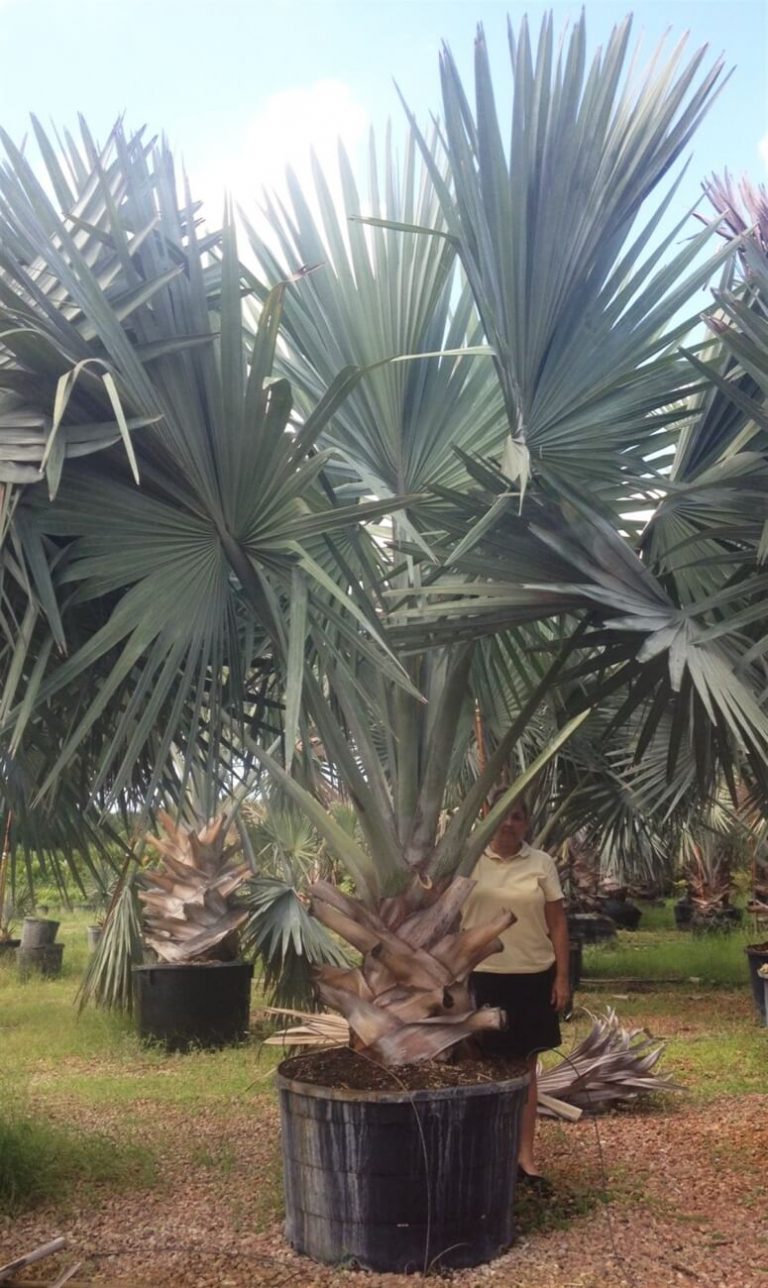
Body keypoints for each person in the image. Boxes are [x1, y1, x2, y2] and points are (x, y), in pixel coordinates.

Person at [462, 793, 570, 1189]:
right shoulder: (468, 859)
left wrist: (562, 977)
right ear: (486, 818)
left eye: (518, 817)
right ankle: (487, 1153)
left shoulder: (541, 863)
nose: (509, 824)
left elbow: (557, 923)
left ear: (526, 823)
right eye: (501, 817)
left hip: (531, 976)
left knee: (525, 1068)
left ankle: (525, 1157)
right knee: (480, 1066)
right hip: (481, 976)